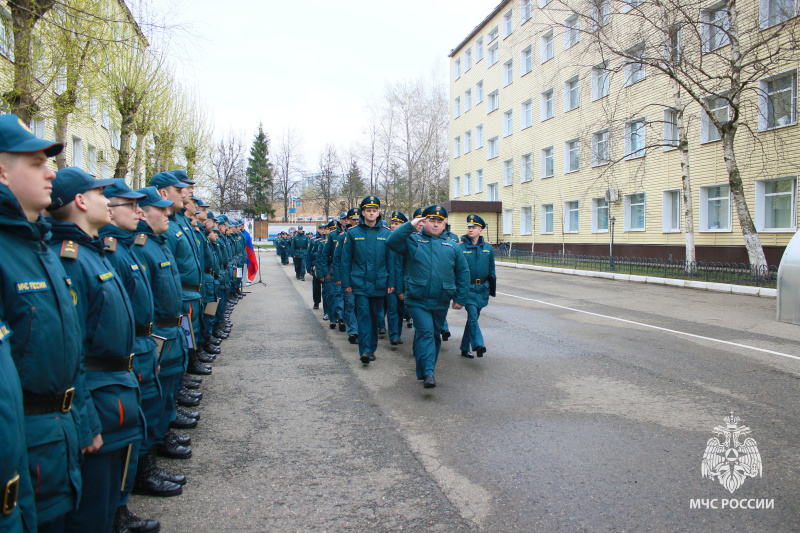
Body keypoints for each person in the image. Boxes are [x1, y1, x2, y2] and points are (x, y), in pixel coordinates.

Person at [46, 167, 143, 533]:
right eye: (101, 194)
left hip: (113, 395)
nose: (109, 200)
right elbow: (71, 350)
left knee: (105, 508)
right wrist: (86, 422)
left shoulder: (93, 252)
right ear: (81, 201)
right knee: (89, 515)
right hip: (96, 401)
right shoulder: (69, 258)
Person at [0, 114, 80, 533]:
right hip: (27, 445)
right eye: (35, 163)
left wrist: (80, 421)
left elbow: (72, 346)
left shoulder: (41, 246)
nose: (51, 173)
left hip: (55, 440)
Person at [97, 180, 165, 532]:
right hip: (117, 359)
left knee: (139, 421)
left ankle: (123, 501)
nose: (139, 212)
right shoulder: (110, 250)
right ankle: (118, 509)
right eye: (132, 206)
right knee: (121, 437)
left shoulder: (126, 248)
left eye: (142, 206)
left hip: (137, 348)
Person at [129, 186, 191, 504]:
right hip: (155, 336)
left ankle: (156, 450)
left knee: (163, 395)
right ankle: (145, 469)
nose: (167, 214)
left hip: (170, 330)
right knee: (151, 403)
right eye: (160, 209)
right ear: (142, 211)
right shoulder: (141, 246)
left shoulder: (158, 242)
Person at [387, 204, 469, 388]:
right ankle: (429, 373)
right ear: (424, 222)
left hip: (441, 299)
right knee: (424, 332)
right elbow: (391, 241)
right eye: (431, 220)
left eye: (439, 221)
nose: (435, 224)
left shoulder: (452, 246)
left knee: (434, 335)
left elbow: (463, 272)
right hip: (417, 299)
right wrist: (411, 223)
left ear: (445, 223)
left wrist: (460, 298)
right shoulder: (413, 241)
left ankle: (426, 369)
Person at [341, 196, 394, 365]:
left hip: (379, 282)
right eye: (368, 211)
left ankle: (371, 348)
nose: (372, 213)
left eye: (374, 211)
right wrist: (346, 283)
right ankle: (364, 349)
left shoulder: (386, 234)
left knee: (375, 315)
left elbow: (391, 261)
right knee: (363, 314)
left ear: (378, 213)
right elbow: (346, 260)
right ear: (363, 213)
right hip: (360, 283)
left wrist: (391, 282)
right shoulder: (353, 233)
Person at [459, 214, 496, 359]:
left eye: (474, 227)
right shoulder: (460, 248)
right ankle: (478, 345)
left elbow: (491, 270)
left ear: (480, 230)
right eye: (469, 227)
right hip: (467, 288)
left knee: (472, 320)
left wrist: (490, 289)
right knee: (473, 316)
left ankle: (464, 347)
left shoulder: (488, 248)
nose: (470, 229)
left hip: (482, 289)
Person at [332, 208, 360, 342]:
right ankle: (353, 331)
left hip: (362, 277)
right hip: (348, 276)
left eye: (357, 218)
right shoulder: (343, 236)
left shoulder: (366, 235)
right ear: (348, 220)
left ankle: (361, 330)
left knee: (361, 306)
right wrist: (337, 277)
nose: (355, 221)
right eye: (353, 218)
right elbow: (337, 258)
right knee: (350, 304)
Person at [386, 211, 407, 346]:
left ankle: (398, 333)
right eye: (392, 223)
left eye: (397, 224)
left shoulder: (407, 241)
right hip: (390, 283)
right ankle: (393, 335)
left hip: (404, 284)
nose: (394, 226)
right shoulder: (387, 240)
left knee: (401, 310)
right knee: (392, 309)